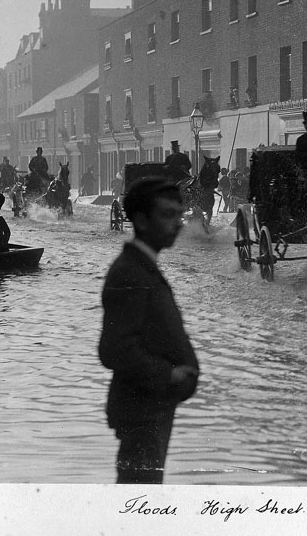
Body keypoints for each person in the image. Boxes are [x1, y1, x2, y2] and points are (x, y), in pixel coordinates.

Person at [99, 177, 199, 484]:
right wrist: (168, 375)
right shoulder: (130, 272)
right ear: (141, 220)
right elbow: (114, 349)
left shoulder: (141, 266)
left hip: (150, 408)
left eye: (179, 215)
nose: (178, 224)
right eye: (167, 215)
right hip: (142, 411)